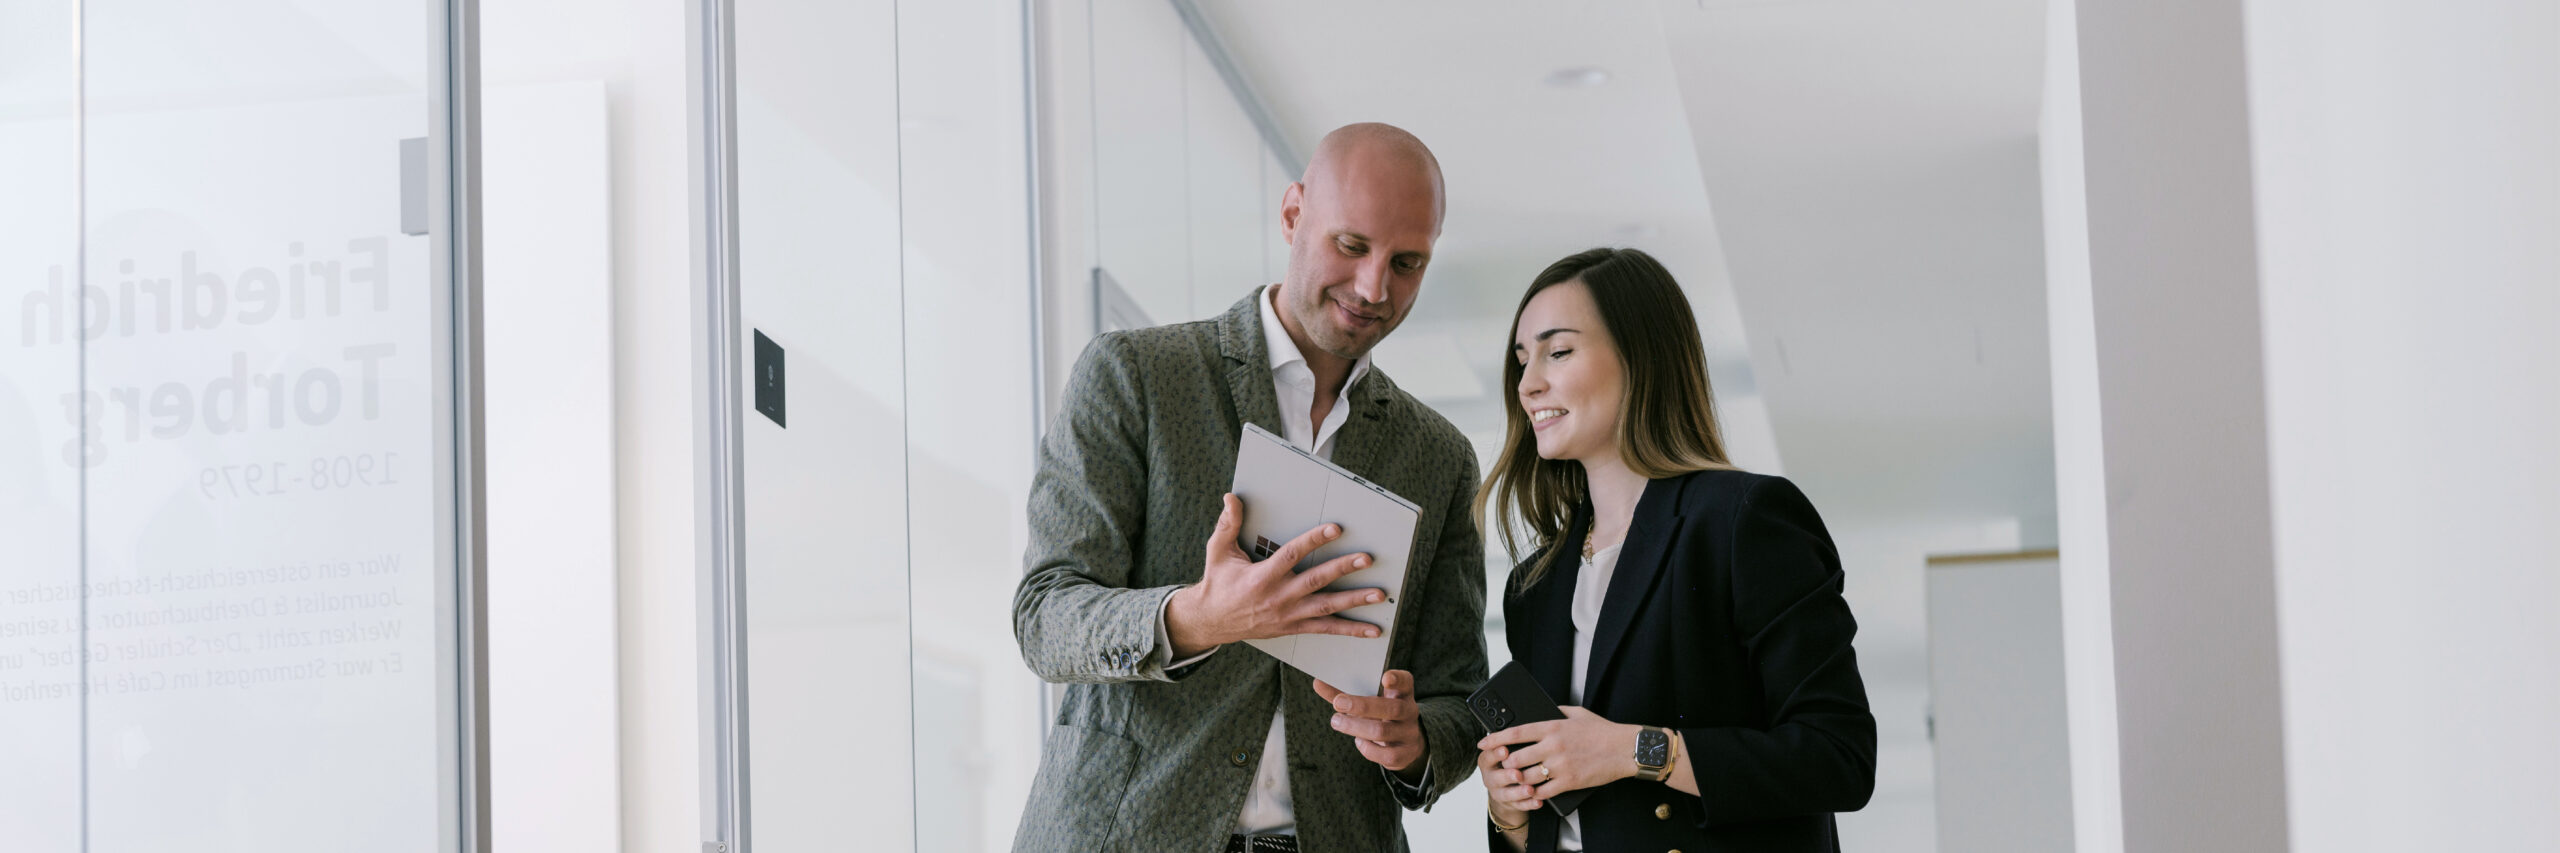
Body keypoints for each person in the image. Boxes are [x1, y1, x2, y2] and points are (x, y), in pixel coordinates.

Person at [1011, 123, 1489, 853]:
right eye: (1352, 246)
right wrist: (1197, 615)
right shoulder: (1137, 377)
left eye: (1407, 263)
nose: (1373, 288)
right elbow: (1045, 614)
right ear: (1293, 213)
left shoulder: (1439, 458)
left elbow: (1457, 692)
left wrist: (1417, 738)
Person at [1473, 248, 1875, 852]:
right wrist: (1509, 807)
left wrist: (1630, 750)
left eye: (1558, 352)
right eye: (1522, 360)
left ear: (1641, 357)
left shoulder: (1744, 521)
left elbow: (1839, 757)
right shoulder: (1535, 583)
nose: (1529, 384)